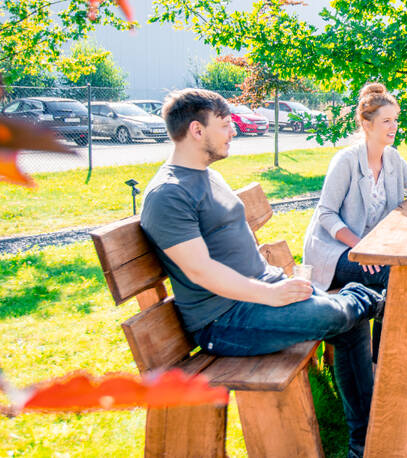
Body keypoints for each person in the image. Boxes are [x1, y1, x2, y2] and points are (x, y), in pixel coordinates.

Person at [139, 89, 383, 458]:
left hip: (262, 294)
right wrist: (271, 294)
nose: (233, 131)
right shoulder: (168, 194)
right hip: (224, 321)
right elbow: (201, 271)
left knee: (347, 322)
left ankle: (365, 445)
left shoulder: (208, 177)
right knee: (333, 312)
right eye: (225, 125)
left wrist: (277, 285)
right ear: (196, 130)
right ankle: (373, 299)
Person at [303, 82, 407, 293]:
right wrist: (363, 248)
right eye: (386, 121)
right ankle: (395, 326)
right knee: (394, 272)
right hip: (335, 253)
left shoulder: (392, 158)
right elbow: (326, 214)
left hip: (375, 248)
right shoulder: (346, 160)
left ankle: (395, 324)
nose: (394, 126)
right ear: (367, 124)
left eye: (395, 120)